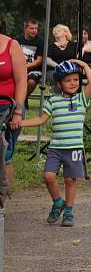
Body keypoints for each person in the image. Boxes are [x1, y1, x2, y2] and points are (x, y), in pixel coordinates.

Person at [12, 60, 91, 226]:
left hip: (74, 148)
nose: (73, 83)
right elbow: (41, 119)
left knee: (70, 180)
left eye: (75, 80)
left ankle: (69, 212)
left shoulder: (81, 99)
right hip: (56, 148)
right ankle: (58, 203)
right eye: (68, 80)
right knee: (49, 176)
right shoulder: (53, 101)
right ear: (59, 83)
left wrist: (83, 65)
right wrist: (21, 122)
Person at [0, 31, 28, 201]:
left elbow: (22, 80)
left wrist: (17, 111)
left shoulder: (11, 45)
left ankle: (1, 203)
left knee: (5, 155)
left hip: (8, 109)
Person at [16, 18, 43, 108]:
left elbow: (39, 60)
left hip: (34, 69)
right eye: (32, 28)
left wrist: (26, 66)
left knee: (31, 82)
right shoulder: (17, 40)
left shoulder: (40, 41)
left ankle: (23, 99)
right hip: (19, 68)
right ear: (25, 28)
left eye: (36, 28)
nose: (34, 31)